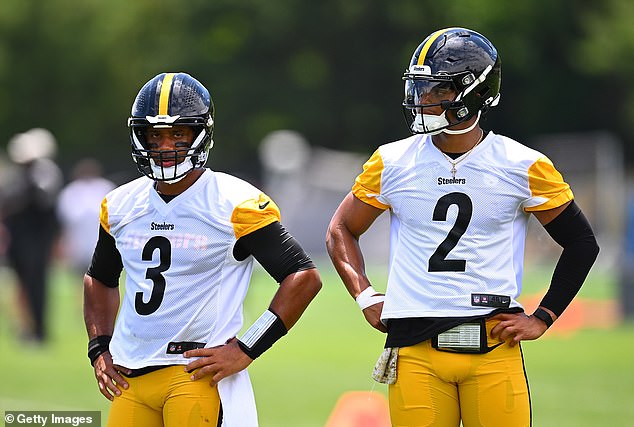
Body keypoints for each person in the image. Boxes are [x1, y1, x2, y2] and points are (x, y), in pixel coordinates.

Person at [326, 28, 599, 427]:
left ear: (470, 95)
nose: (420, 100)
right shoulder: (392, 161)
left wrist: (544, 316)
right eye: (419, 88)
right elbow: (340, 230)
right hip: (415, 347)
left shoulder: (521, 164)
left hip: (493, 342)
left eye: (434, 90)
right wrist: (365, 295)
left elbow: (581, 242)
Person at [83, 72, 322, 427]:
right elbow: (99, 279)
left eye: (178, 133)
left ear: (201, 134)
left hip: (194, 374)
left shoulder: (235, 203)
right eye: (155, 135)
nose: (165, 146)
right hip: (130, 376)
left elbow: (303, 277)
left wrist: (246, 348)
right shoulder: (120, 204)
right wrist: (99, 348)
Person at [1, 128, 63, 343]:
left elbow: (45, 201)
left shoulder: (44, 173)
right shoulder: (16, 176)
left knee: (36, 284)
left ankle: (38, 329)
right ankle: (25, 327)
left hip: (37, 239)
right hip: (19, 239)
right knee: (22, 284)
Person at [57, 158, 115, 275]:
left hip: (101, 238)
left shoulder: (105, 187)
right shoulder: (71, 191)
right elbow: (66, 217)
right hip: (77, 240)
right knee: (80, 274)